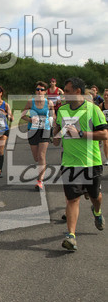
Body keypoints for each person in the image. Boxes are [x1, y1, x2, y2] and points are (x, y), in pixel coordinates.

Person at [52, 77, 108, 251]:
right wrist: (56, 131)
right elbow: (56, 138)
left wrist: (81, 133)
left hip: (92, 162)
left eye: (67, 91)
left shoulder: (93, 109)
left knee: (95, 197)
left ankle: (97, 212)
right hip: (69, 162)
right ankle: (71, 236)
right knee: (72, 199)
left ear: (77, 91)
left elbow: (104, 134)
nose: (64, 94)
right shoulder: (62, 110)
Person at [21, 81, 55, 190]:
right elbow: (22, 115)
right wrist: (30, 119)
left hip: (45, 130)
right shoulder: (31, 102)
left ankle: (40, 180)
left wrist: (51, 121)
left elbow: (53, 116)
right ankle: (41, 170)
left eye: (42, 90)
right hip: (33, 130)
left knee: (41, 156)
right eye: (37, 89)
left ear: (45, 92)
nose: (39, 91)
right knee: (36, 157)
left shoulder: (49, 103)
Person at [99, 89, 108, 165]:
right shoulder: (101, 105)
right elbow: (98, 114)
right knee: (105, 143)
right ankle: (107, 158)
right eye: (105, 95)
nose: (106, 96)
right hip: (105, 126)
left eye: (107, 95)